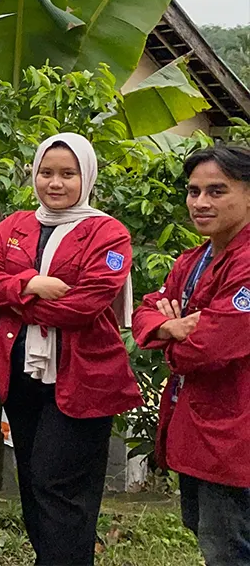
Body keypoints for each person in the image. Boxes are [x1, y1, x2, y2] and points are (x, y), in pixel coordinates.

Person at [0, 133, 142, 566]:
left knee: (58, 480)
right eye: (46, 172)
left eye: (68, 174)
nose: (55, 183)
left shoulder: (107, 232)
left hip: (83, 376)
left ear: (85, 176)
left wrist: (16, 301)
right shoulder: (14, 225)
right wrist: (30, 284)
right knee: (33, 477)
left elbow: (87, 303)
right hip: (21, 373)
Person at [133, 145, 250, 564]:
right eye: (194, 191)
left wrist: (174, 343)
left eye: (217, 191)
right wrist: (168, 326)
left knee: (229, 550)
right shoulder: (194, 259)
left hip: (236, 441)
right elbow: (144, 312)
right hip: (196, 435)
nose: (200, 203)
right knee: (210, 541)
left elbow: (210, 346)